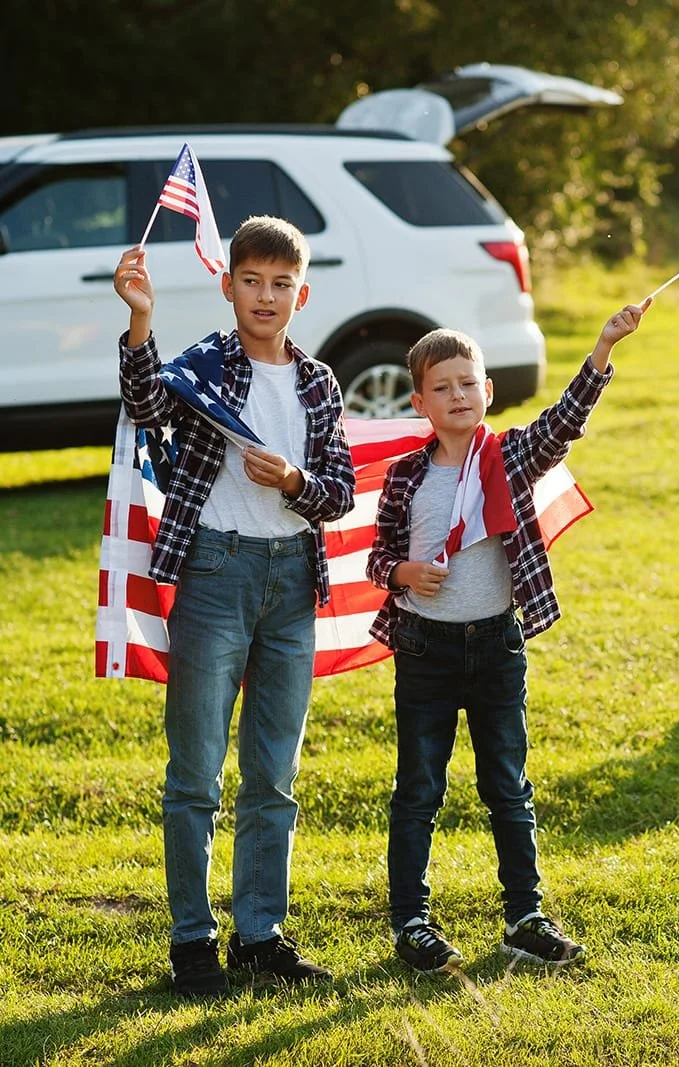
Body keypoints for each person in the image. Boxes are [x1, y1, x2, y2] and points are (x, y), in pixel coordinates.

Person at [113, 215, 355, 998]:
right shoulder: (208, 365)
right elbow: (149, 405)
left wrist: (292, 482)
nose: (266, 295)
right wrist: (140, 319)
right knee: (195, 772)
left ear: (302, 293)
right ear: (228, 286)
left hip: (292, 584)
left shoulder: (318, 382)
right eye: (251, 280)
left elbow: (339, 493)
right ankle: (193, 941)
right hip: (215, 573)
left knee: (273, 773)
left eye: (281, 284)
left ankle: (261, 932)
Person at [366, 302, 649, 972]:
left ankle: (524, 916)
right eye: (443, 387)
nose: (458, 395)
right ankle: (412, 922)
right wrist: (404, 570)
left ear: (488, 390)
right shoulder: (407, 476)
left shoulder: (510, 454)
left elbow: (563, 425)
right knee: (418, 791)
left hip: (496, 646)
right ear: (420, 402)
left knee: (507, 786)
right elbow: (378, 559)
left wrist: (602, 348)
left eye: (469, 382)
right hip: (425, 651)